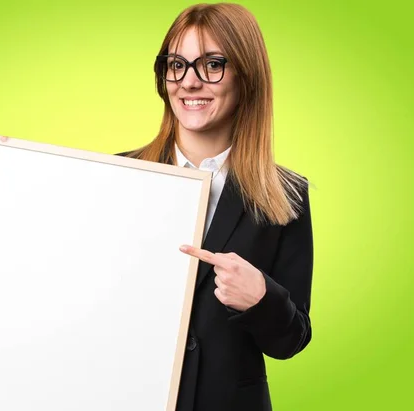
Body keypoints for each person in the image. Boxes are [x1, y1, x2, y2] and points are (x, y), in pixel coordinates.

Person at [116, 3, 314, 411]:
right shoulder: (117, 175)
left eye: (212, 64)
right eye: (176, 65)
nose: (188, 82)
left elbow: (291, 340)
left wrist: (262, 296)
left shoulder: (286, 194)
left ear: (247, 75)